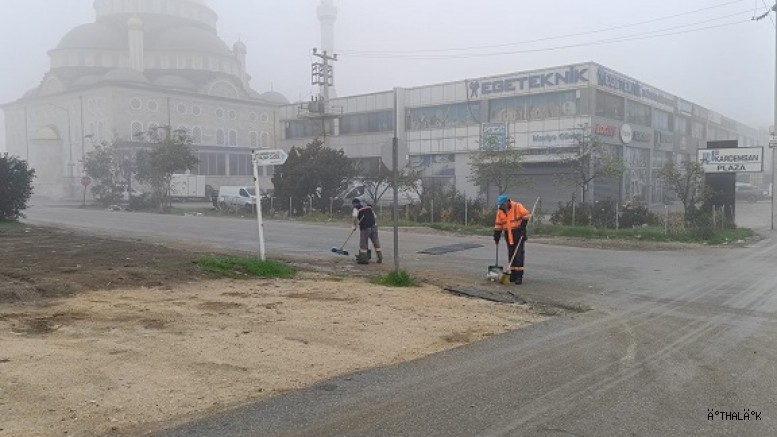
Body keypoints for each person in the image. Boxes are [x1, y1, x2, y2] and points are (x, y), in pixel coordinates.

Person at [493, 194, 531, 285]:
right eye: (500, 205)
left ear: (507, 202)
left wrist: (523, 227)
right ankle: (513, 275)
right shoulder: (500, 211)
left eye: (502, 204)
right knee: (511, 255)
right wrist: (496, 235)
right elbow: (498, 224)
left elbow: (527, 214)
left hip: (519, 233)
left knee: (518, 255)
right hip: (508, 235)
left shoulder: (517, 206)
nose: (501, 206)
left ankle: (519, 276)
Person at [352, 198, 382, 264]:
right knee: (376, 241)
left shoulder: (356, 208)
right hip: (374, 226)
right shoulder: (369, 206)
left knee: (363, 243)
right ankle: (380, 257)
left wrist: (354, 226)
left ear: (354, 204)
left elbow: (354, 218)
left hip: (365, 227)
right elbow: (375, 216)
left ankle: (364, 259)